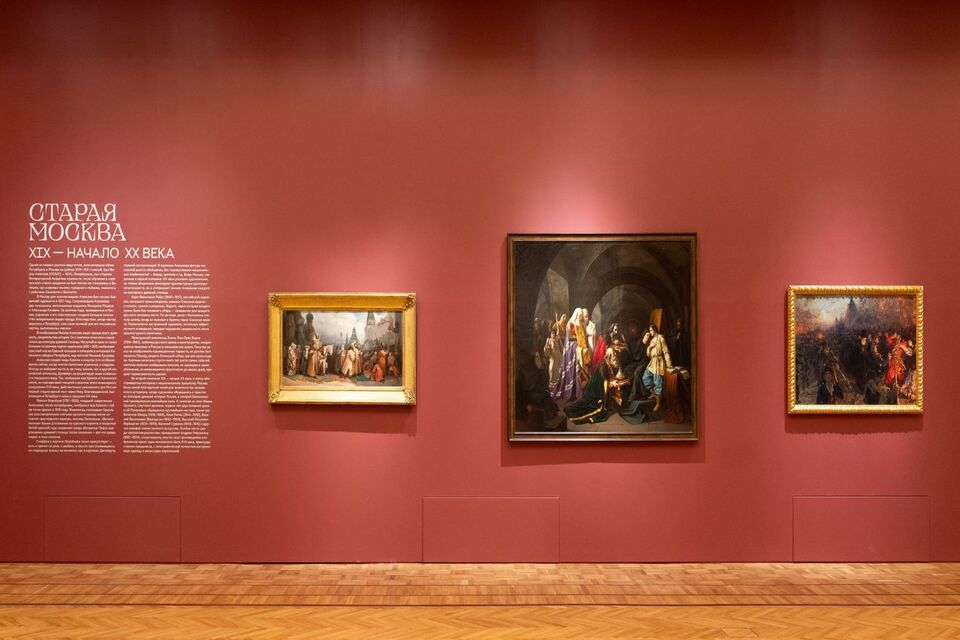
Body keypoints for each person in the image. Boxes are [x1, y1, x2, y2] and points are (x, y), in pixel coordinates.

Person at [549, 309, 582, 406]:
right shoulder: (570, 324)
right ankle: (570, 391)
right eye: (563, 316)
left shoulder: (574, 324)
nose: (565, 318)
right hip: (571, 347)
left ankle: (576, 390)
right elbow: (572, 337)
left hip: (575, 346)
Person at [641, 324, 672, 412]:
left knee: (658, 383)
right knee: (645, 378)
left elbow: (666, 351)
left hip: (659, 362)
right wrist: (649, 348)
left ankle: (658, 403)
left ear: (655, 330)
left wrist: (669, 363)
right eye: (650, 330)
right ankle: (654, 394)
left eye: (651, 330)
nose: (650, 332)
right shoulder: (652, 340)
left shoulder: (661, 338)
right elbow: (648, 355)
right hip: (652, 362)